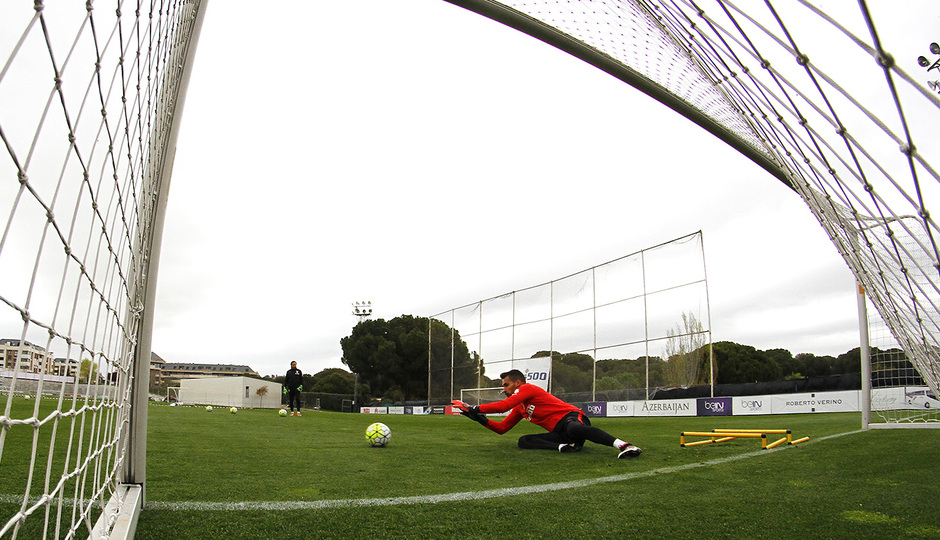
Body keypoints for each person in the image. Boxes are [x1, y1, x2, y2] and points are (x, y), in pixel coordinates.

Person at [456, 369, 642, 458]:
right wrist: (480, 420)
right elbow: (502, 428)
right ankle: (564, 447)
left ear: (518, 383)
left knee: (575, 428)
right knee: (524, 441)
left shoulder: (528, 389)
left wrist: (475, 408)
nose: (504, 389)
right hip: (560, 432)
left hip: (570, 417)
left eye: (506, 384)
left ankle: (625, 446)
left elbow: (503, 406)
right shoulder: (520, 408)